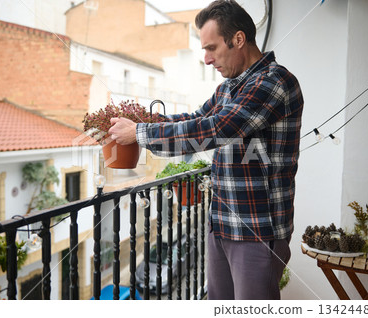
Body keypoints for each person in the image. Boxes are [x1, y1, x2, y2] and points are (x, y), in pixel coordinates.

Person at [108, 0, 303, 300]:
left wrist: (139, 133)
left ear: (238, 39)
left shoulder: (274, 82)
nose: (207, 59)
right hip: (221, 225)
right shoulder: (229, 88)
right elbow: (196, 119)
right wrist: (144, 122)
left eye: (211, 48)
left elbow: (214, 130)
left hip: (257, 231)